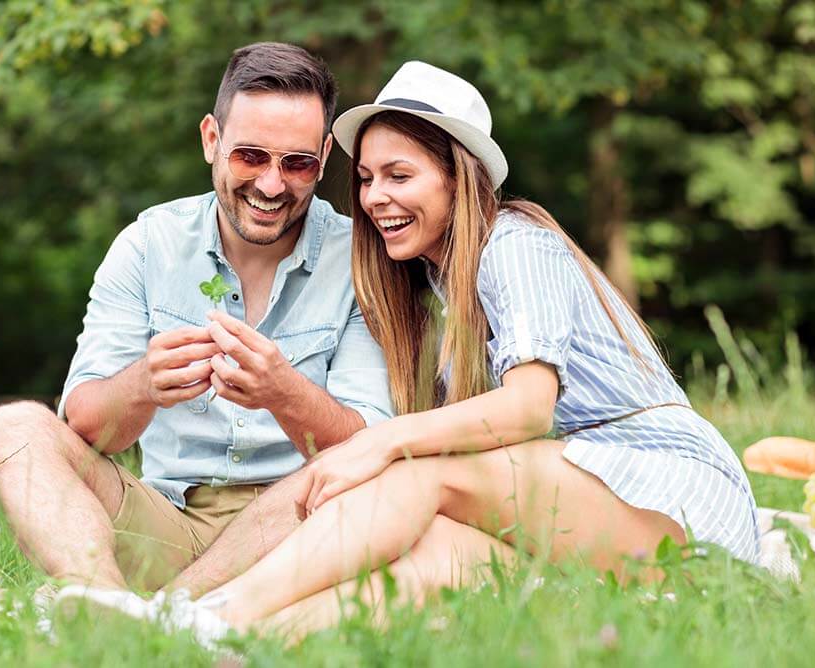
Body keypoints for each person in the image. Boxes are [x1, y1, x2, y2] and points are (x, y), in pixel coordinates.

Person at [179, 60, 761, 639]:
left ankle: (213, 611)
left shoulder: (515, 243)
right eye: (366, 178)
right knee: (429, 557)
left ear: (458, 177)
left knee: (417, 474)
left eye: (399, 176)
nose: (376, 197)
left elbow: (529, 407)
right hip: (588, 512)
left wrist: (381, 442)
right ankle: (219, 639)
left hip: (669, 489)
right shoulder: (435, 287)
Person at [0, 42, 393, 599]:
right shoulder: (148, 244)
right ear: (211, 140)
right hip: (168, 519)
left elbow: (370, 449)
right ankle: (103, 602)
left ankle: (163, 615)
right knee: (14, 427)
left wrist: (283, 391)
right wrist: (144, 386)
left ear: (322, 157)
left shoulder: (361, 260)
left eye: (297, 164)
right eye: (250, 156)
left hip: (298, 528)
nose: (272, 186)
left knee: (367, 491)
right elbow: (86, 427)